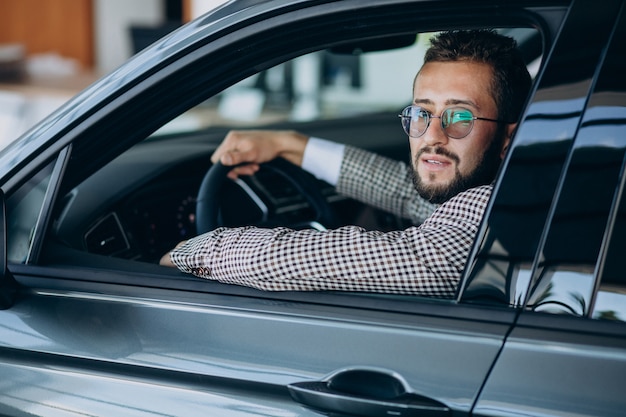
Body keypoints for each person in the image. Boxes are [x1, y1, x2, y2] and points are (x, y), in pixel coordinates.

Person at [160, 29, 532, 298]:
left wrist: (195, 251)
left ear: (508, 138)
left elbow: (305, 259)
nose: (432, 135)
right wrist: (289, 144)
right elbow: (404, 191)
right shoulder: (517, 191)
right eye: (422, 112)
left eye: (460, 117)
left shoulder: (490, 211)